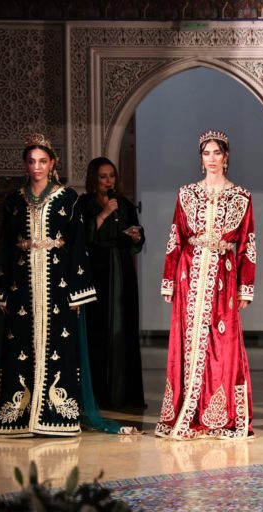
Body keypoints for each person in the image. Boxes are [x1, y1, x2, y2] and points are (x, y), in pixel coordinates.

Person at [0, 134, 96, 437]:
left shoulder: (68, 198)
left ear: (52, 164)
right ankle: (17, 418)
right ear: (25, 165)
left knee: (59, 348)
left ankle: (57, 417)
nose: (37, 167)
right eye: (31, 161)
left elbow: (77, 245)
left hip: (58, 286)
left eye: (42, 161)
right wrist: (2, 290)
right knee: (19, 346)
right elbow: (5, 246)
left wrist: (77, 292)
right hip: (22, 286)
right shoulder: (14, 200)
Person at [155, 129, 256, 440]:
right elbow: (176, 236)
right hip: (189, 273)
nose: (211, 159)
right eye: (206, 153)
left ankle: (220, 415)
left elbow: (247, 243)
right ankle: (186, 410)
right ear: (201, 158)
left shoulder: (241, 196)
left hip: (224, 274)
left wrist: (246, 286)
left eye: (217, 153)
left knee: (222, 344)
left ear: (226, 157)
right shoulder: (186, 194)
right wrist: (169, 280)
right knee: (187, 342)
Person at [80, 157, 146, 409]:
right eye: (103, 177)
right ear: (94, 180)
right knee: (98, 328)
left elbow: (138, 239)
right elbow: (83, 237)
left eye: (111, 176)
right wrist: (104, 213)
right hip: (97, 271)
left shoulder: (125, 204)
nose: (108, 181)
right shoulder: (84, 204)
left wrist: (136, 236)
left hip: (122, 270)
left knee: (124, 327)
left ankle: (124, 394)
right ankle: (99, 394)